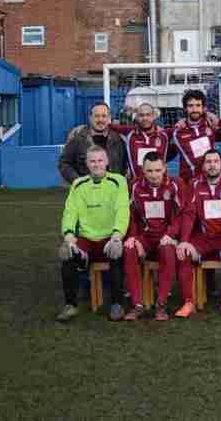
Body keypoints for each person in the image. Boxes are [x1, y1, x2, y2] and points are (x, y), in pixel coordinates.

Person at [56, 145, 130, 322]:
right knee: (67, 254)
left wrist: (117, 236)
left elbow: (123, 210)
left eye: (99, 160)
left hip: (109, 238)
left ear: (106, 162)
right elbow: (70, 212)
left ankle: (117, 305)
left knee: (117, 252)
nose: (96, 164)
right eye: (92, 161)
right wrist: (68, 237)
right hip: (86, 240)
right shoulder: (78, 184)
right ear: (87, 164)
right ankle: (70, 305)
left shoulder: (118, 181)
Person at [175, 149, 221, 318]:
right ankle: (188, 302)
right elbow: (189, 214)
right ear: (203, 165)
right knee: (183, 253)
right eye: (208, 162)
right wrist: (184, 240)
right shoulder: (194, 184)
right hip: (203, 237)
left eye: (215, 161)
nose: (212, 165)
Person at [121, 152, 184, 321]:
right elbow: (131, 216)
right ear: (143, 170)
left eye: (157, 170)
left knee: (167, 250)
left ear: (164, 168)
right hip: (145, 238)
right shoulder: (135, 186)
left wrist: (171, 234)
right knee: (129, 249)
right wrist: (133, 237)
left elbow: (181, 216)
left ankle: (161, 304)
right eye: (149, 171)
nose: (154, 175)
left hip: (166, 237)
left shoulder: (175, 185)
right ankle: (137, 304)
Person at [58, 102, 126, 184]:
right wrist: (78, 181)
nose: (100, 120)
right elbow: (64, 163)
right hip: (85, 193)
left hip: (112, 192)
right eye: (97, 116)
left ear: (109, 118)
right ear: (90, 118)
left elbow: (124, 166)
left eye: (104, 116)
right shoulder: (77, 139)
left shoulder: (118, 139)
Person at [109, 103, 172, 181]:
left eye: (148, 115)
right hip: (137, 187)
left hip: (159, 186)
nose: (145, 118)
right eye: (141, 115)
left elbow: (181, 129)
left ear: (153, 116)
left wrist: (182, 122)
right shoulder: (129, 133)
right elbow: (109, 126)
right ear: (137, 117)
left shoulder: (164, 134)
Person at [171, 89, 219, 183]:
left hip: (212, 180)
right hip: (188, 183)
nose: (194, 109)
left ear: (204, 108)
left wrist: (210, 115)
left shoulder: (211, 124)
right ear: (185, 108)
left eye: (198, 105)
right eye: (190, 106)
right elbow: (156, 134)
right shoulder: (177, 131)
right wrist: (156, 126)